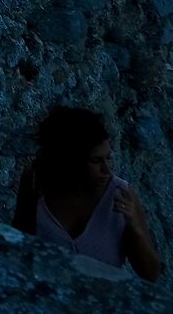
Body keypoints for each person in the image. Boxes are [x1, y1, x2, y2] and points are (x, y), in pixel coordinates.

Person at [13, 106, 163, 281]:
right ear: (71, 161)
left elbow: (151, 273)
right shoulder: (36, 181)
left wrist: (134, 227)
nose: (107, 170)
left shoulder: (121, 196)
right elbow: (19, 242)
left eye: (108, 158)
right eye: (96, 160)